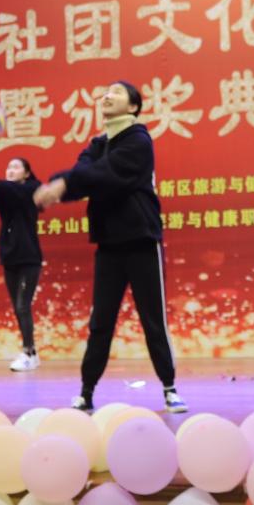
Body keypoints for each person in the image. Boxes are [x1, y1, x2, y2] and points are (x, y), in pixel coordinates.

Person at [35, 81, 186, 414]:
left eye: (116, 92)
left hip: (142, 241)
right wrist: (59, 187)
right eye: (105, 92)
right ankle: (86, 392)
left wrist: (63, 184)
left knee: (153, 320)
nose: (107, 95)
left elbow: (107, 174)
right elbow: (84, 174)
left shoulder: (139, 141)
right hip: (108, 245)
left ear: (133, 107)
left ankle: (170, 388)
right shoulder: (97, 144)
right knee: (100, 322)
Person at [0, 158, 44, 372]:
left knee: (23, 305)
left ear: (26, 173)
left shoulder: (33, 188)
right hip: (10, 257)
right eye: (8, 167)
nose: (11, 170)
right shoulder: (6, 192)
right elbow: (4, 192)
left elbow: (18, 192)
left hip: (29, 258)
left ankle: (29, 353)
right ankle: (31, 352)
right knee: (18, 307)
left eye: (16, 167)